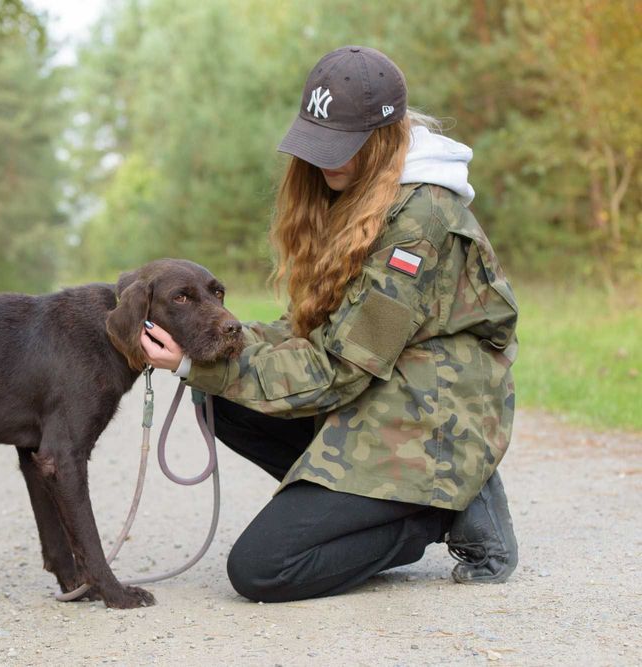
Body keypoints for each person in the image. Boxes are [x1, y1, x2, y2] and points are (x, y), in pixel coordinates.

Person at [140, 46, 519, 602]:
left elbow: (338, 367)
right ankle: (374, 507)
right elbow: (310, 329)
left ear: (385, 138)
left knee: (264, 569)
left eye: (343, 146)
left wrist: (201, 366)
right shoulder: (355, 194)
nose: (325, 162)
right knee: (218, 394)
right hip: (382, 389)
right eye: (319, 143)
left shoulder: (420, 222)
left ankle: (435, 511)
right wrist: (212, 340)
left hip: (432, 415)